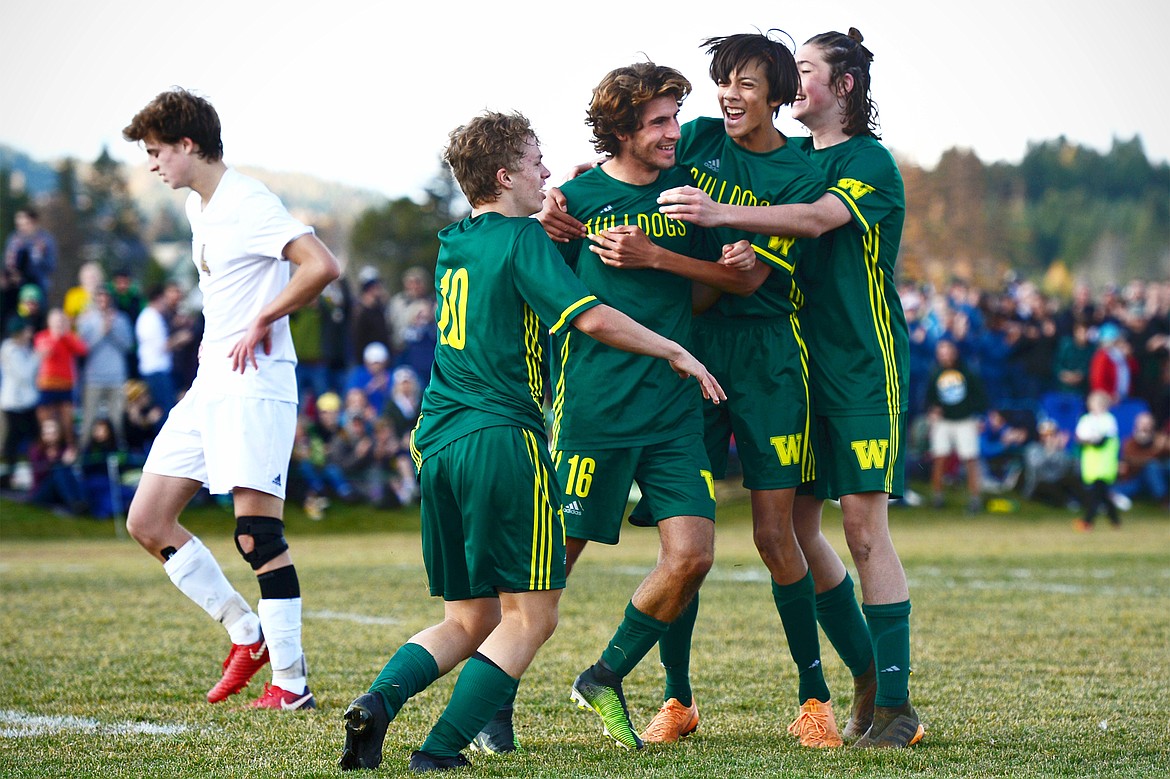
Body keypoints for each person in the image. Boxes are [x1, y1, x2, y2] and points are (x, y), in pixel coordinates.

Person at [337, 109, 723, 773]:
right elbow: (593, 317)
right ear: (503, 173)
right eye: (536, 160)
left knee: (469, 619)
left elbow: (509, 274)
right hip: (500, 441)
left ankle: (378, 702)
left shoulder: (456, 239)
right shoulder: (523, 240)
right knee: (531, 618)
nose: (548, 171)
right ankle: (438, 751)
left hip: (440, 443)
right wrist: (675, 350)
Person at [539, 33, 873, 749]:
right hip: (683, 358)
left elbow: (750, 277)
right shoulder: (692, 141)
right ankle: (676, 697)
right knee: (681, 542)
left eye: (746, 83)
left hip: (767, 358)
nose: (728, 93)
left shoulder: (799, 172)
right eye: (722, 78)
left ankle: (821, 695)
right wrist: (562, 200)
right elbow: (618, 178)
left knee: (775, 532)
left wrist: (667, 251)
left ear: (778, 96)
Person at [654, 28, 924, 747]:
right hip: (801, 361)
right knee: (799, 530)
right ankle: (868, 678)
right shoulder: (789, 154)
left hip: (863, 364)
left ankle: (894, 706)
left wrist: (717, 214)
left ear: (845, 87)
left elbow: (812, 220)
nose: (791, 81)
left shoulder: (865, 161)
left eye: (805, 70)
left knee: (865, 530)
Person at [508, 61, 753, 754]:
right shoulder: (575, 199)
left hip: (676, 408)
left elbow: (733, 282)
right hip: (596, 407)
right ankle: (494, 697)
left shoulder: (689, 197)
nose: (674, 131)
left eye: (677, 117)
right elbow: (545, 292)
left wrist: (657, 259)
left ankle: (605, 673)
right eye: (658, 122)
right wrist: (552, 225)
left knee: (693, 554)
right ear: (620, 130)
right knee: (552, 566)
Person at [121, 87, 342, 710]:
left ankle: (292, 685)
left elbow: (320, 265)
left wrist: (263, 317)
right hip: (209, 383)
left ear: (189, 145)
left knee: (257, 536)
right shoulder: (199, 207)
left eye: (158, 151)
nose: (153, 164)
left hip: (256, 383)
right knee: (148, 521)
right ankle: (247, 635)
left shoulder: (248, 202)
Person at [925, 339, 987, 512]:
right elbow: (929, 397)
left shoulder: (967, 371)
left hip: (965, 419)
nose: (944, 356)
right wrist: (933, 411)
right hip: (943, 421)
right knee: (939, 457)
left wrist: (979, 416)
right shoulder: (935, 372)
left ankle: (975, 498)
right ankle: (937, 496)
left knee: (970, 458)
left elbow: (979, 395)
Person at [77, 287, 134, 451]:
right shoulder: (86, 320)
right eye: (100, 298)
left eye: (106, 298)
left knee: (117, 419)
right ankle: (83, 455)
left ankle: (119, 454)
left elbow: (128, 346)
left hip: (116, 377)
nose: (103, 302)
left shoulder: (121, 319)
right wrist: (101, 332)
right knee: (89, 419)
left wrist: (113, 331)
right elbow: (83, 349)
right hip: (94, 377)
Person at [33, 308, 87, 451]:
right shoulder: (42, 336)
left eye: (61, 321)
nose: (58, 324)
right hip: (47, 384)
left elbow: (82, 350)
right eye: (56, 321)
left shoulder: (69, 337)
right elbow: (44, 353)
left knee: (67, 421)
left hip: (66, 384)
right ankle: (47, 449)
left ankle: (69, 447)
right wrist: (56, 338)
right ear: (49, 322)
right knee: (47, 422)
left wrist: (66, 336)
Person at [135, 281, 191, 417]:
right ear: (158, 299)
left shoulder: (152, 317)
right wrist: (180, 338)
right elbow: (161, 346)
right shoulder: (150, 318)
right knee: (166, 409)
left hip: (157, 369)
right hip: (156, 370)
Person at [0, 317, 41, 488]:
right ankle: (7, 476)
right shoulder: (10, 350)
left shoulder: (24, 348)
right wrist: (38, 357)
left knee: (33, 437)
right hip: (13, 404)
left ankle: (34, 472)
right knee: (12, 440)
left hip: (27, 402)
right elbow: (24, 374)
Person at [1074, 389, 1122, 530]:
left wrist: (1090, 440)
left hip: (1105, 465)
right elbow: (1079, 438)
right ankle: (1115, 520)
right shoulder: (1086, 419)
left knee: (1096, 493)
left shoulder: (1109, 420)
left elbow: (1102, 440)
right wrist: (1088, 440)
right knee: (1102, 494)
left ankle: (1087, 521)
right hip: (1091, 465)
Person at [1021, 419, 1083, 509]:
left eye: (1052, 435)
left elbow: (1067, 468)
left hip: (1057, 481)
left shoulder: (1061, 451)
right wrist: (1050, 451)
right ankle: (1067, 503)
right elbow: (1036, 467)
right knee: (1048, 486)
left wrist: (1062, 450)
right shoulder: (1033, 448)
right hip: (1037, 485)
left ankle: (1089, 503)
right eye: (1045, 435)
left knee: (1072, 481)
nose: (1048, 438)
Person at [1115, 411, 1169, 506]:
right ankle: (1164, 499)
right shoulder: (1130, 442)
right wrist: (1156, 449)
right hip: (1138, 478)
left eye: (1148, 423)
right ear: (1136, 425)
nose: (1145, 426)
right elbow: (1134, 461)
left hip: (1161, 474)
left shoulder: (1159, 438)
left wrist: (1165, 443)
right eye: (1142, 423)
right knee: (1151, 466)